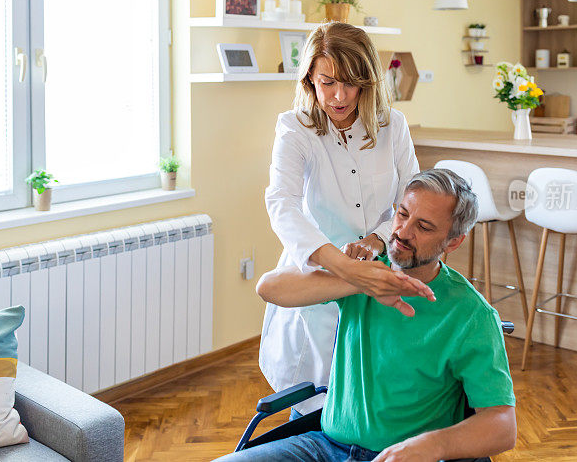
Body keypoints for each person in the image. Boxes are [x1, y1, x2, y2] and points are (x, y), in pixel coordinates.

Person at [220, 169, 516, 462]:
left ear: (453, 242)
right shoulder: (364, 271)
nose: (402, 232)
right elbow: (269, 287)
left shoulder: (471, 314)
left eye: (423, 227)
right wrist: (361, 281)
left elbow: (502, 425)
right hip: (323, 447)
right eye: (402, 214)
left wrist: (433, 446)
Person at [262, 22, 424, 417]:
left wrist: (377, 239)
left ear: (367, 81)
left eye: (350, 83)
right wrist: (343, 266)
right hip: (317, 275)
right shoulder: (295, 128)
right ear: (309, 80)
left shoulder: (392, 126)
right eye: (327, 82)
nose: (338, 96)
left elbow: (412, 199)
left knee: (374, 399)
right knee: (314, 402)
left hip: (379, 271)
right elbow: (282, 202)